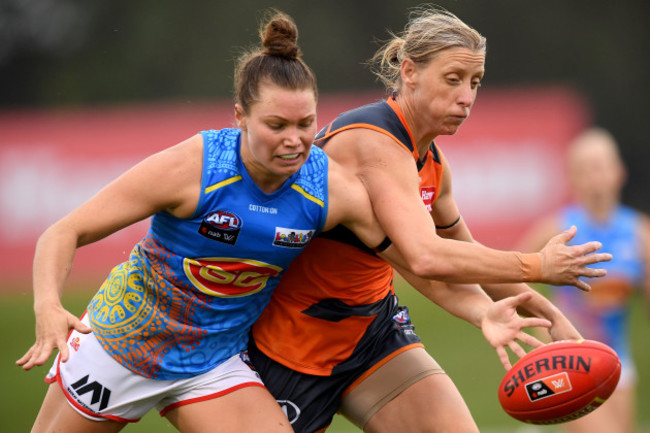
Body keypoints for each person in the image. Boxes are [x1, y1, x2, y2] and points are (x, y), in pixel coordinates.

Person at [14, 11, 400, 433]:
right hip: (120, 347)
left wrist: (482, 304)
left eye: (306, 124)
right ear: (240, 117)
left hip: (212, 364)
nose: (294, 140)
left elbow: (420, 257)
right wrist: (47, 305)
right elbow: (63, 232)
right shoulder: (193, 168)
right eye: (277, 125)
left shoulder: (328, 187)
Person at [247, 6, 612, 433]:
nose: (466, 97)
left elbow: (465, 252)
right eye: (453, 79)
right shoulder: (371, 140)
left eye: (474, 82)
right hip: (290, 345)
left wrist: (553, 319)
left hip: (373, 334)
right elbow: (425, 257)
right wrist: (539, 266)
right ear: (409, 73)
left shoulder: (434, 163)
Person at [519, 127, 650, 433]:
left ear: (619, 172)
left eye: (602, 166)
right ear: (572, 178)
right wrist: (543, 323)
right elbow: (507, 278)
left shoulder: (640, 233)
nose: (596, 177)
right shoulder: (555, 230)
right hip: (569, 362)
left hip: (619, 359)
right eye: (585, 169)